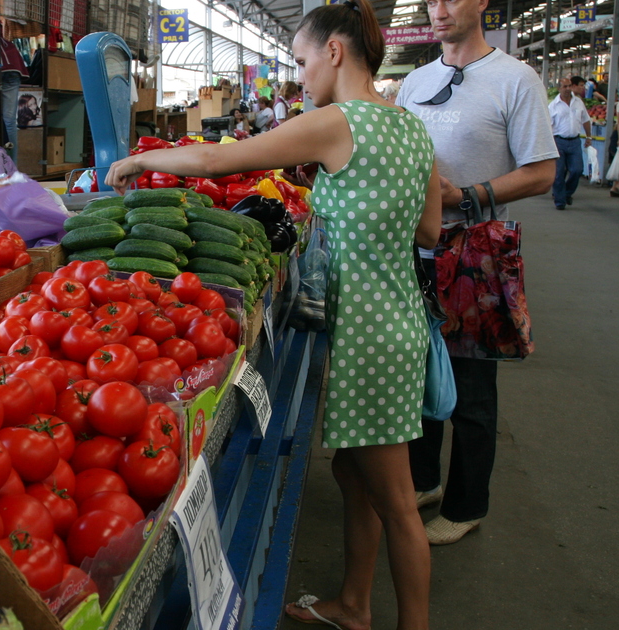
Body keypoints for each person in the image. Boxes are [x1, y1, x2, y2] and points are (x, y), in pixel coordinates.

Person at [106, 1, 442, 627]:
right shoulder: (413, 128)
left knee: (397, 502)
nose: (302, 74)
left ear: (335, 52)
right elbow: (429, 229)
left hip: (369, 337)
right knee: (354, 474)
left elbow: (218, 159)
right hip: (398, 322)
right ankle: (355, 605)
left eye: (303, 60)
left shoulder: (340, 121)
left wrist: (143, 160)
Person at [398, 0, 556, 546]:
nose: (437, 10)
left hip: (475, 253)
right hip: (412, 250)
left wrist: (467, 195)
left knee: (471, 387)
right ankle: (422, 480)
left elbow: (541, 172)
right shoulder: (415, 82)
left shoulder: (515, 79)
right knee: (417, 374)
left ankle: (467, 505)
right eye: (429, 1)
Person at [549, 77, 592, 210]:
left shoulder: (578, 102)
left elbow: (586, 120)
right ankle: (560, 201)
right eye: (564, 86)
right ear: (559, 88)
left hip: (575, 141)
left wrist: (589, 136)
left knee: (577, 170)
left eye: (569, 86)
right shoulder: (553, 106)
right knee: (558, 173)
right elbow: (547, 126)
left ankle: (567, 193)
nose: (567, 89)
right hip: (558, 141)